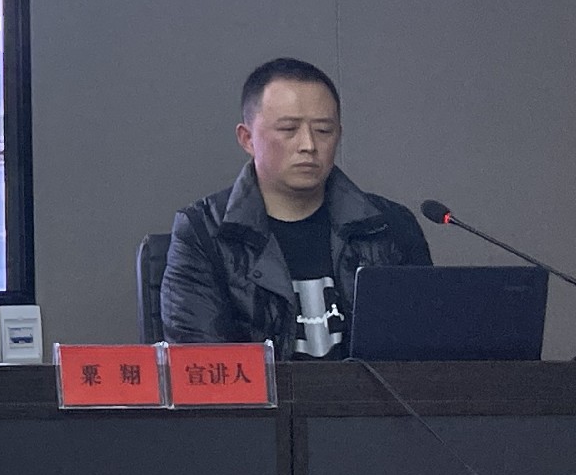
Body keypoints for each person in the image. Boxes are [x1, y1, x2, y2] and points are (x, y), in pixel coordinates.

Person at [161, 57, 430, 358]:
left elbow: (424, 355)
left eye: (324, 131)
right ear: (247, 139)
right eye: (289, 129)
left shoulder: (389, 226)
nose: (309, 145)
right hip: (261, 392)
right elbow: (203, 367)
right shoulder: (203, 233)